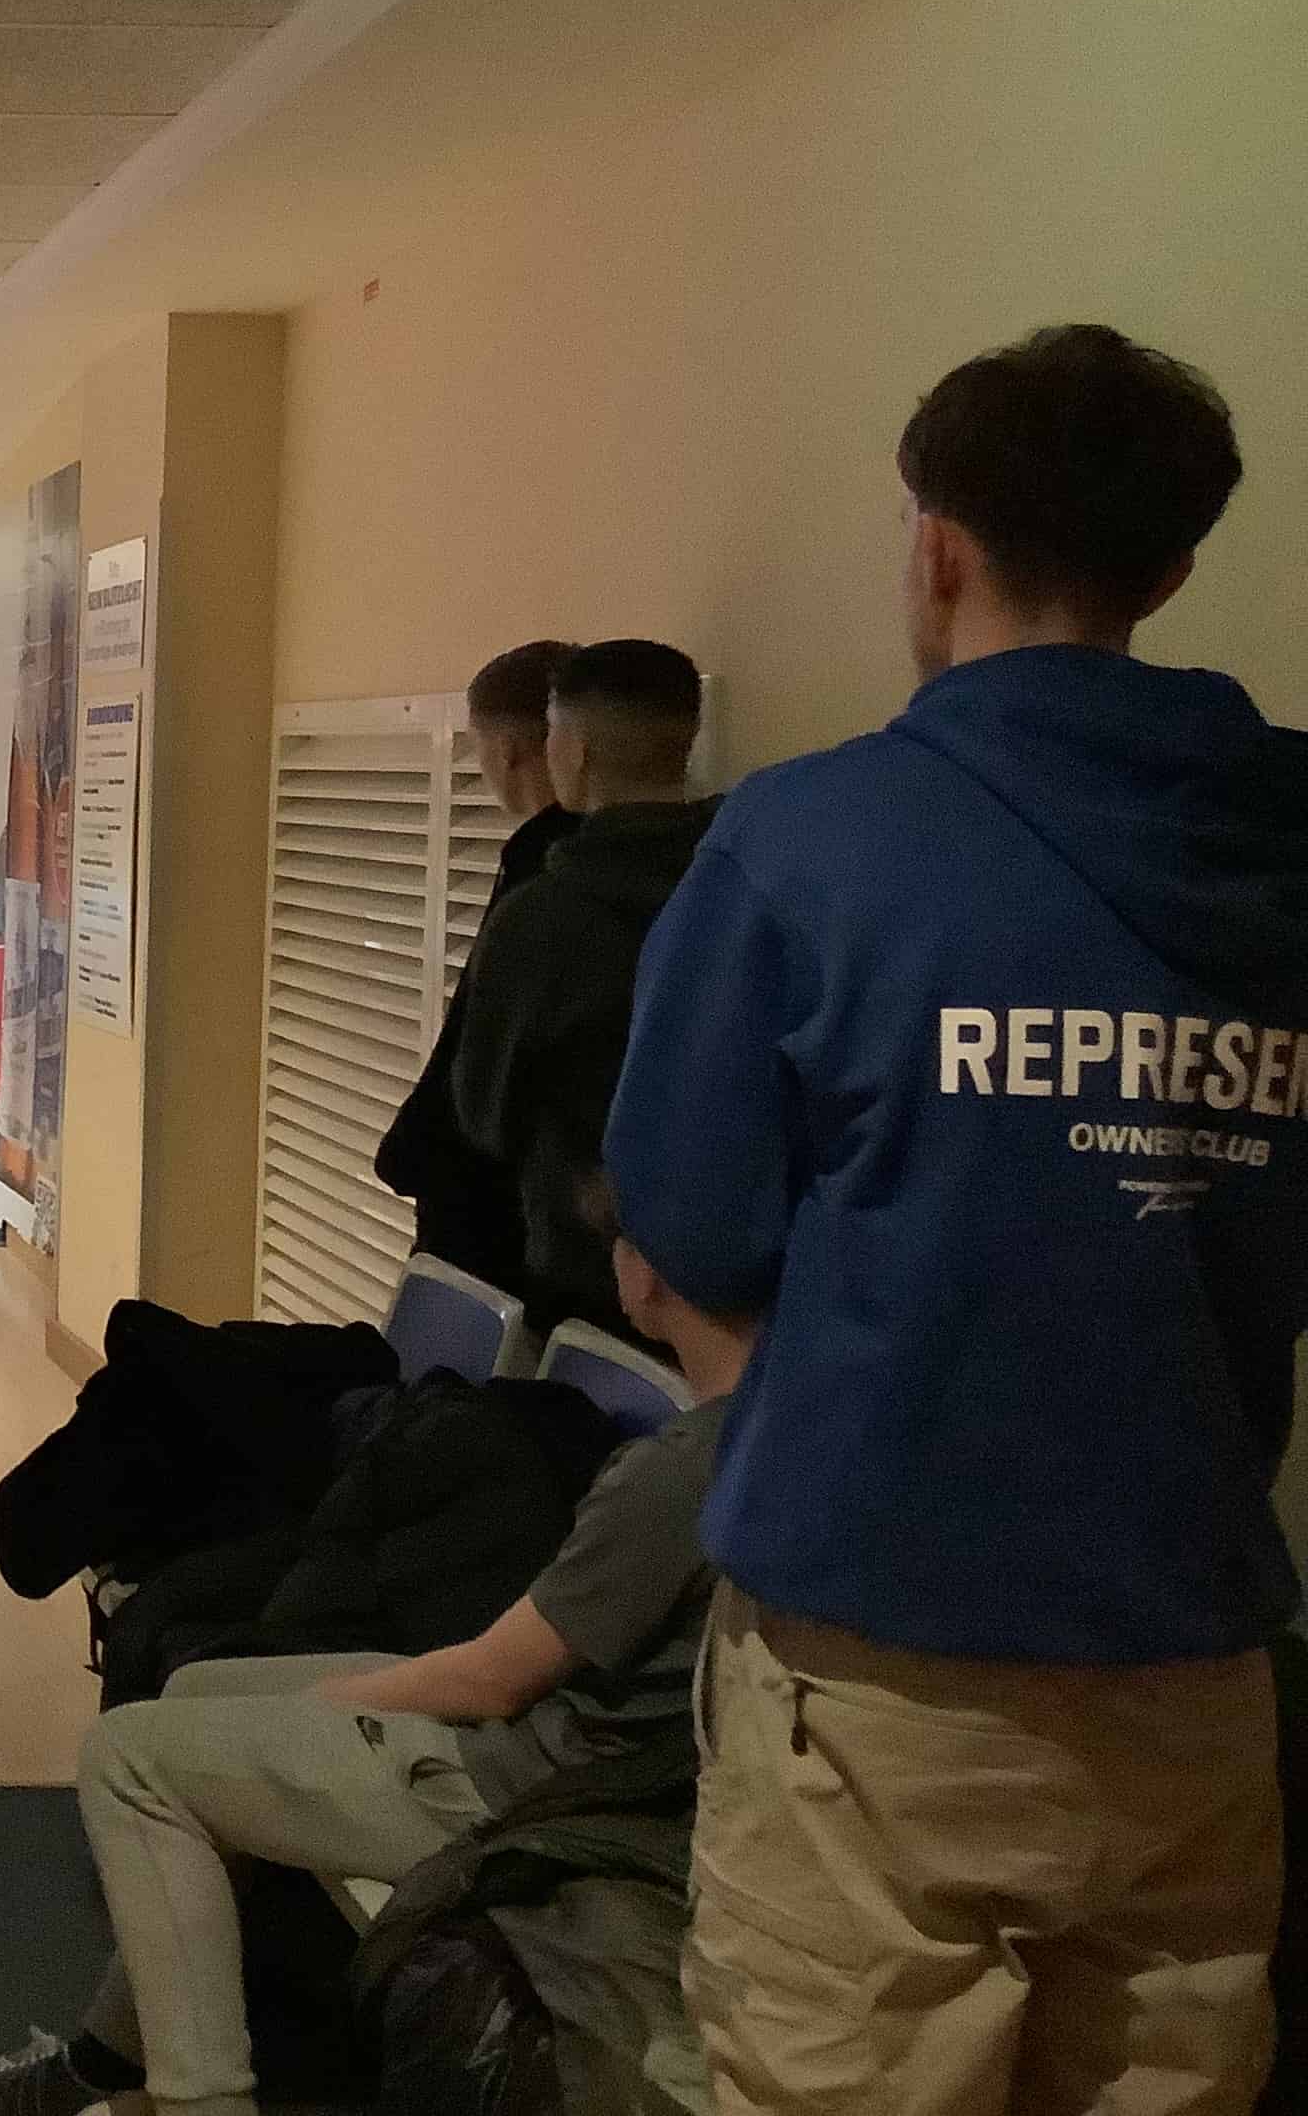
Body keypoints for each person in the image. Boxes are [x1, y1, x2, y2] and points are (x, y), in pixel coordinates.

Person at [609, 325, 1307, 2115]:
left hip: (877, 1661)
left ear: (931, 542)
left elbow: (683, 1219)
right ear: (1166, 565)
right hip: (1195, 1661)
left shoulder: (809, 840)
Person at [0, 1185, 755, 2116]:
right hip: (590, 1761)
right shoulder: (776, 1442)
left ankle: (196, 2101)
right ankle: (100, 2065)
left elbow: (493, 1680)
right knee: (194, 1690)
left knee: (125, 1757)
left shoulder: (677, 1471)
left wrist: (344, 1700)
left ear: (647, 1275)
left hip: (533, 1785)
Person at [451, 639, 712, 1337]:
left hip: (582, 1275)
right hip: (723, 1278)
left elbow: (483, 1115)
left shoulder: (542, 920)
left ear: (574, 750)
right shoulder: (753, 885)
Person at [376, 640, 582, 1289]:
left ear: (507, 749)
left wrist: (412, 1155)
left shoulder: (543, 877)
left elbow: (477, 1064)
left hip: (500, 1221)